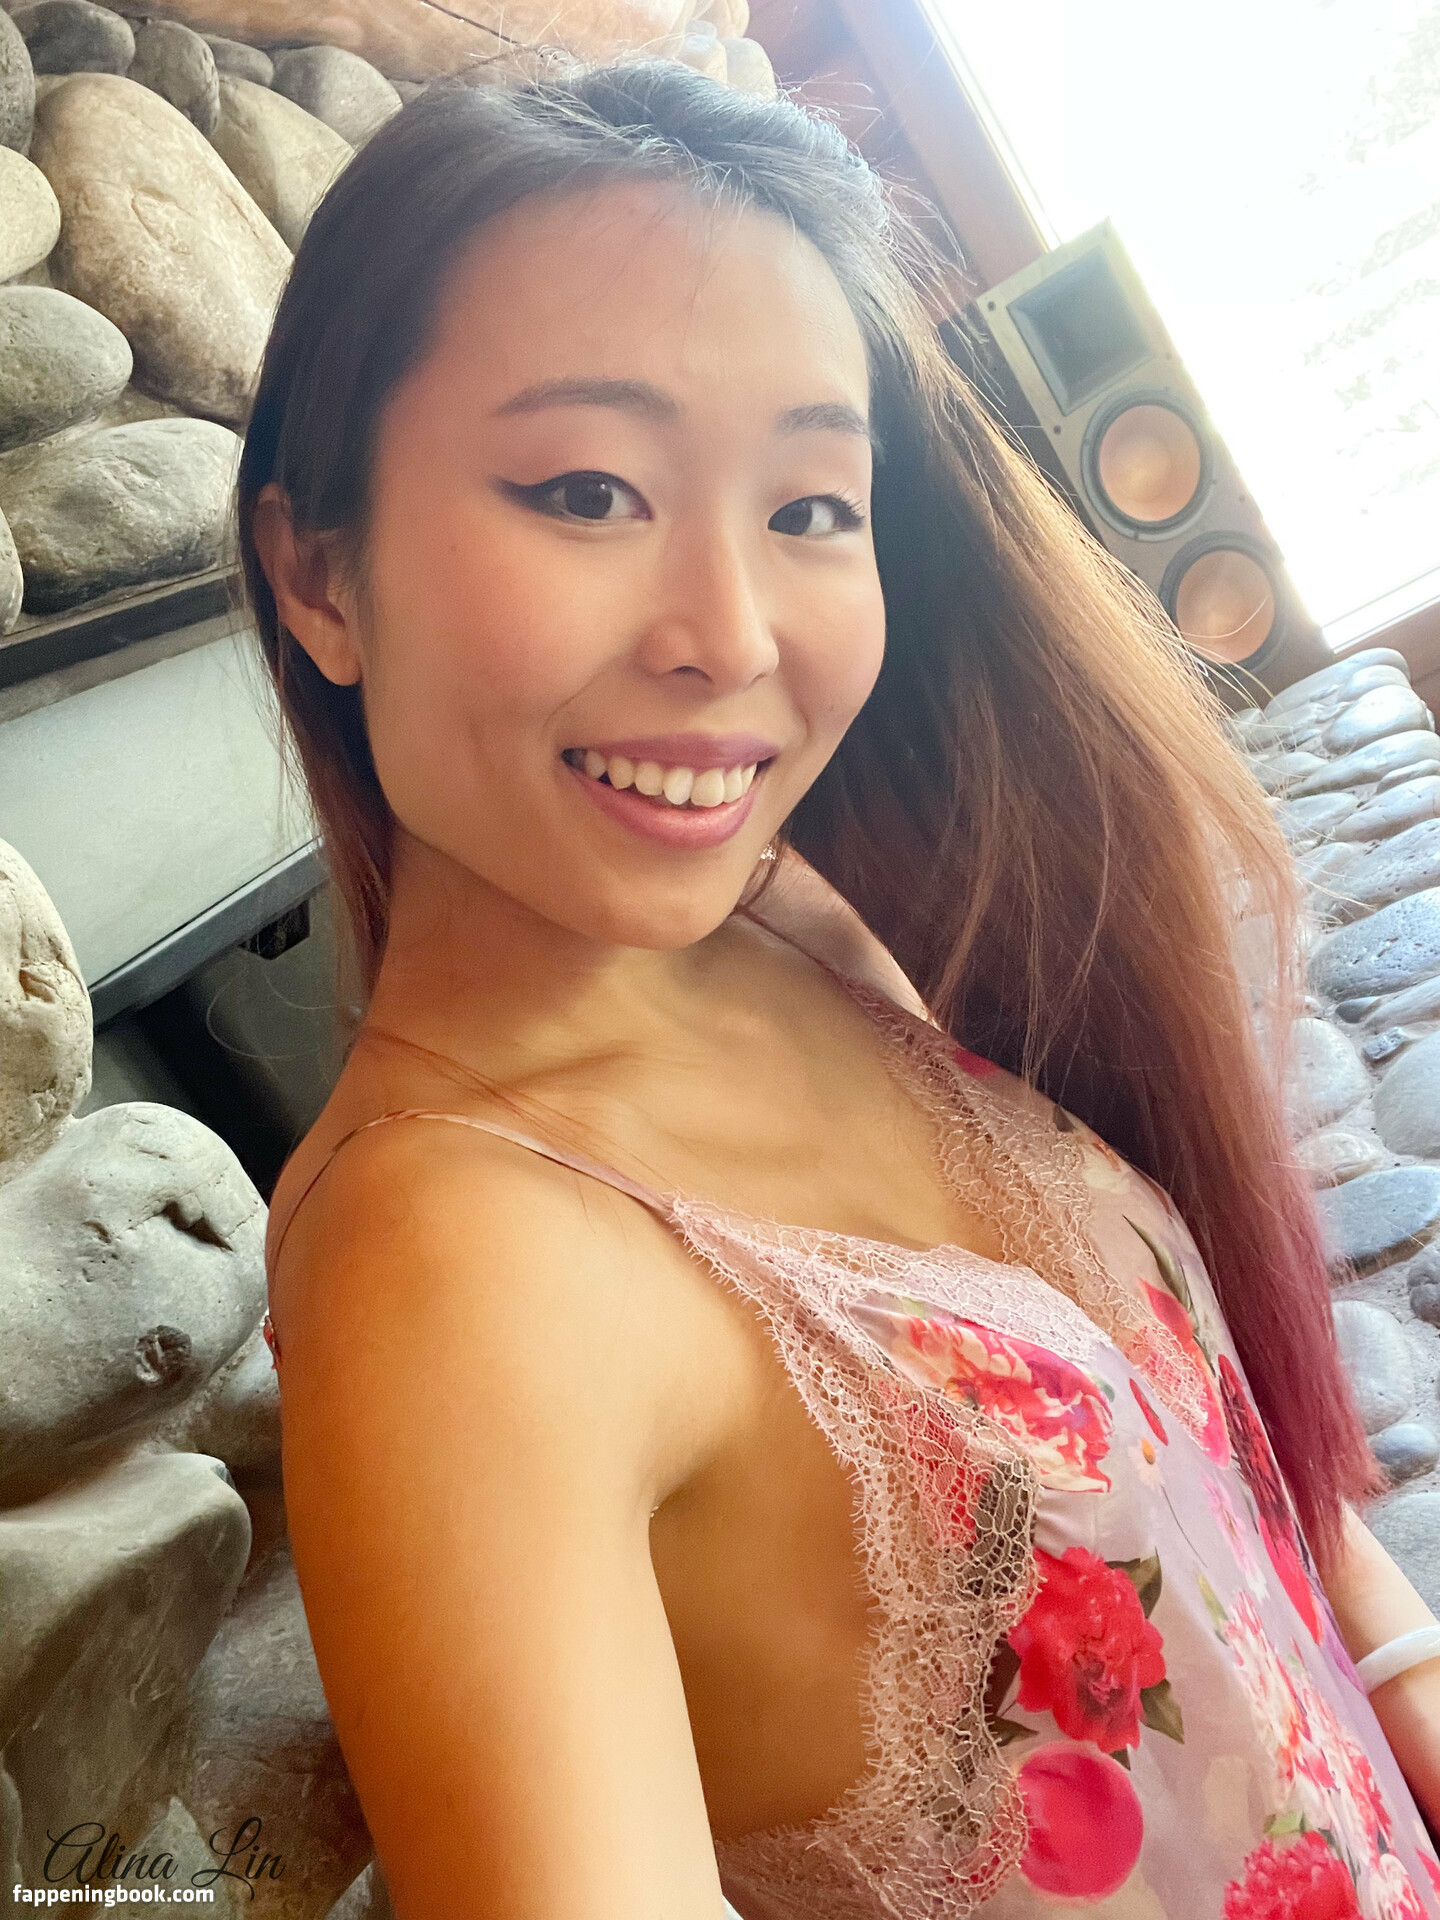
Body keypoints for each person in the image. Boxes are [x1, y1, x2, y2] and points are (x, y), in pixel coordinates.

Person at [246, 58, 1440, 1920]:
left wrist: (1411, 1691)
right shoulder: (448, 1268)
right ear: (319, 575)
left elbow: (1223, 1483)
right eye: (588, 490)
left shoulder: (786, 920)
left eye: (812, 507)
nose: (731, 635)